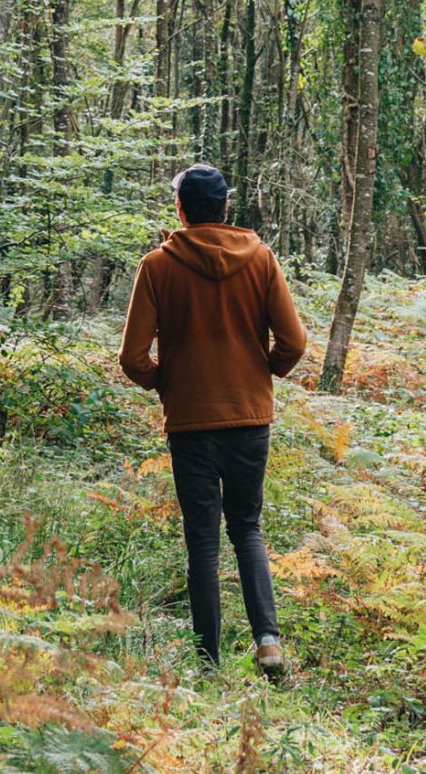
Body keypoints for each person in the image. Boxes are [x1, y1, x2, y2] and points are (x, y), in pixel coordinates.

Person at [117, 163, 309, 679]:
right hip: (250, 418)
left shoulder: (157, 266)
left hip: (190, 424)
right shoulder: (261, 259)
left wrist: (169, 383)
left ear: (180, 210)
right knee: (246, 526)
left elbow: (133, 358)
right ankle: (268, 641)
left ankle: (208, 664)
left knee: (202, 539)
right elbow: (293, 343)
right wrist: (263, 372)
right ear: (226, 207)